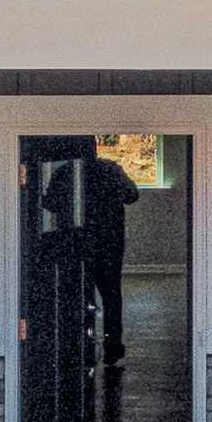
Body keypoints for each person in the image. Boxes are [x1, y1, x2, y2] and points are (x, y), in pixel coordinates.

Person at [81, 145, 142, 370]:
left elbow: (49, 202)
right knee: (111, 295)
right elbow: (132, 195)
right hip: (110, 241)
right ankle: (112, 346)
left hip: (79, 241)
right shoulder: (110, 169)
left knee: (80, 295)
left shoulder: (67, 170)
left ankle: (82, 347)